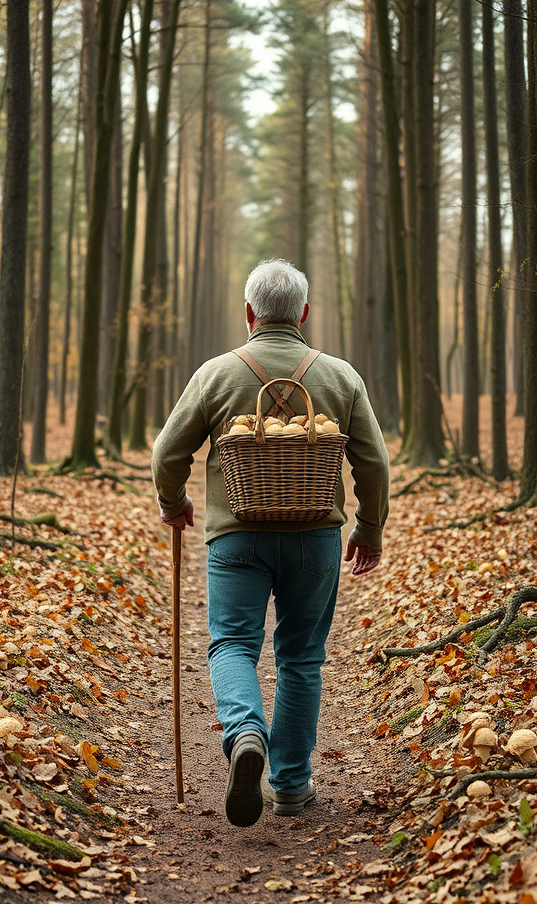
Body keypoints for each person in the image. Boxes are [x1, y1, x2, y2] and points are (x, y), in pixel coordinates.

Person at [151, 259, 390, 827]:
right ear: (304, 313)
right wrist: (369, 525)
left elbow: (167, 454)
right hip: (316, 538)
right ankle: (289, 784)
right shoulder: (339, 376)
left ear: (249, 312)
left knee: (232, 645)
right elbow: (374, 462)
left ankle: (245, 734)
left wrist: (174, 503)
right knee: (302, 656)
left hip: (237, 538)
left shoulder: (216, 375)